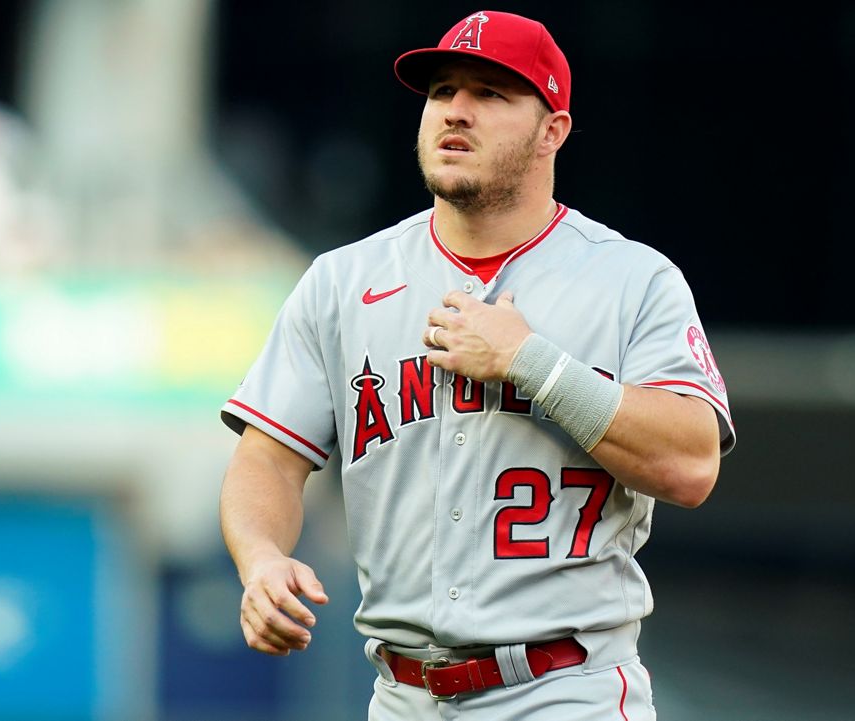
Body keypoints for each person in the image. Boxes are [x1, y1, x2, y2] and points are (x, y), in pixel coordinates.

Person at [219, 10, 735, 720]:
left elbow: (692, 463)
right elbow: (267, 460)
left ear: (552, 129)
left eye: (491, 93)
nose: (456, 111)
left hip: (565, 688)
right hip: (401, 696)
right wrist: (261, 558)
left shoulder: (631, 280)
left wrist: (531, 362)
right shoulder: (343, 281)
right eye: (442, 91)